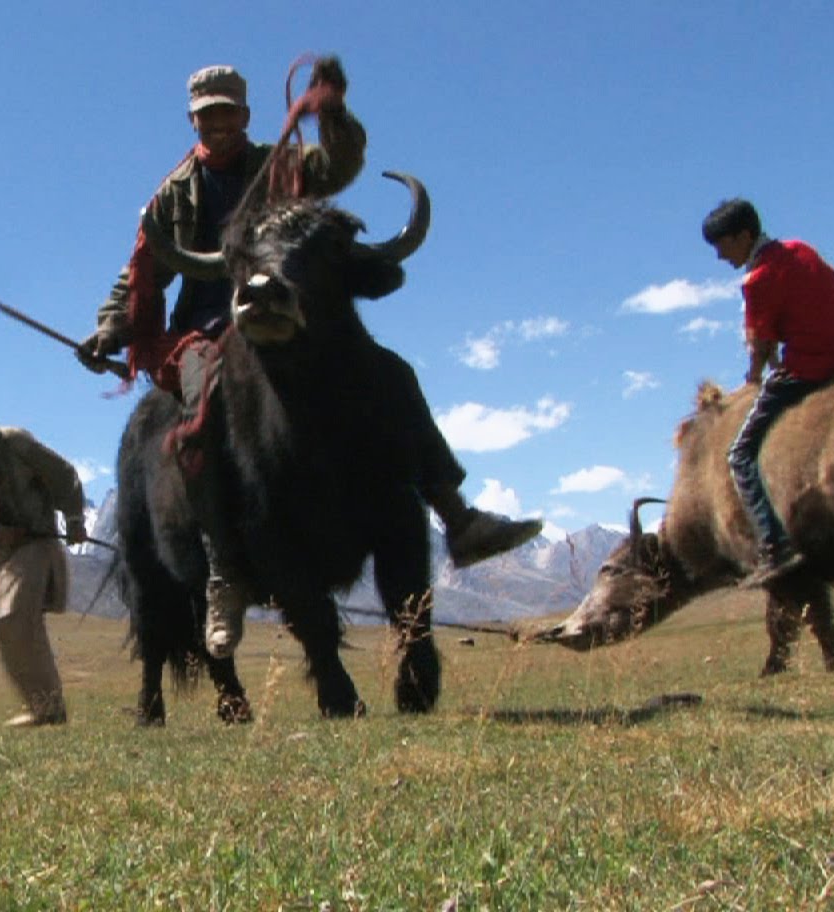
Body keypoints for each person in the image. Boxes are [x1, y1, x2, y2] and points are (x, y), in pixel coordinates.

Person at [76, 60, 541, 658]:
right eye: (206, 116)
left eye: (227, 113)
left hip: (302, 315)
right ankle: (222, 573)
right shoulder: (173, 195)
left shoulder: (283, 166)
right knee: (199, 411)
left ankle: (457, 515)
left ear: (244, 116)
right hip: (213, 332)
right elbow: (141, 272)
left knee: (390, 372)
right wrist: (110, 325)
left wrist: (334, 114)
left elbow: (341, 165)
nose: (217, 124)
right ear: (193, 120)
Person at [702, 198, 834, 587]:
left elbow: (759, 343)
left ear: (744, 235)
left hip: (809, 369)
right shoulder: (799, 249)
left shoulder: (758, 280)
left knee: (740, 455)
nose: (721, 256)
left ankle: (776, 546)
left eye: (723, 245)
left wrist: (753, 379)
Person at [0, 388, 88, 728]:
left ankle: (48, 709)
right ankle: (46, 708)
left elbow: (63, 475)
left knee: (9, 618)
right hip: (6, 557)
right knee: (12, 627)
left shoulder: (14, 442)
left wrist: (76, 519)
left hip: (38, 545)